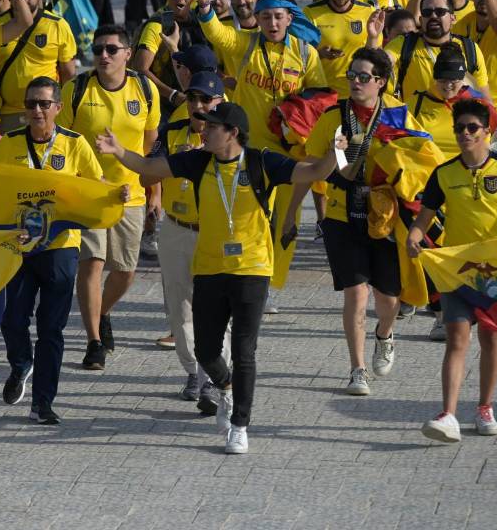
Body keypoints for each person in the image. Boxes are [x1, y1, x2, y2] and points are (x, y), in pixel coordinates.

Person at [98, 102, 344, 453]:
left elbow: (314, 171)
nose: (205, 130)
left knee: (244, 351)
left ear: (232, 133)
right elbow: (150, 167)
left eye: (212, 126)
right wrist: (119, 150)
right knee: (206, 349)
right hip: (210, 267)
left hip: (252, 268)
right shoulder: (199, 161)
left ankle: (240, 424)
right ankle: (225, 386)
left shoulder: (261, 162)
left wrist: (335, 152)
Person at [407, 99, 497, 443]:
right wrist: (414, 237)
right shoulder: (444, 173)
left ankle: (485, 407)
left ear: (487, 131)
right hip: (457, 271)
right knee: (456, 338)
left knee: (491, 337)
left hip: (496, 271)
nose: (464, 134)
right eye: (459, 128)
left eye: (472, 128)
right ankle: (448, 414)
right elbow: (423, 218)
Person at [194, 0, 328, 314]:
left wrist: (296, 116)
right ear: (257, 18)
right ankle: (246, 279)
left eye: (278, 17)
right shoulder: (246, 45)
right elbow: (218, 35)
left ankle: (267, 284)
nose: (272, 23)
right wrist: (205, 7)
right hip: (250, 150)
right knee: (251, 218)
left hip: (289, 151)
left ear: (289, 18)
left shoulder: (305, 53)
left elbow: (320, 96)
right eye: (265, 17)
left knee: (285, 221)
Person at [288, 48, 414, 395]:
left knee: (388, 299)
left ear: (381, 82)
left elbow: (420, 159)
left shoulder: (399, 114)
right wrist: (290, 214)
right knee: (356, 293)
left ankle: (384, 334)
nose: (356, 82)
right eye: (352, 76)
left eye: (364, 77)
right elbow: (308, 168)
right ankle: (357, 370)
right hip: (341, 214)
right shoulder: (333, 116)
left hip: (384, 217)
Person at [0, 77, 104, 424]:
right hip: (19, 246)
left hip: (60, 246)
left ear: (58, 107)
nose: (37, 110)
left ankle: (42, 403)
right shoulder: (9, 144)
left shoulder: (74, 144)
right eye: (31, 104)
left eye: (44, 104)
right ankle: (20, 364)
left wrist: (114, 195)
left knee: (51, 328)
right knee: (12, 318)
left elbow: (95, 186)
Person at [58, 25, 159, 370]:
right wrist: (80, 182)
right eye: (98, 49)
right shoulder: (76, 89)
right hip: (88, 194)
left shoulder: (144, 89)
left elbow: (150, 145)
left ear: (128, 54)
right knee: (92, 264)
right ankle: (94, 342)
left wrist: (155, 191)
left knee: (125, 272)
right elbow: (63, 143)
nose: (103, 55)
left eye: (112, 49)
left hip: (130, 195)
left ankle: (101, 313)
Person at [144, 73, 224, 398]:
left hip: (214, 232)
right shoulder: (172, 132)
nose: (197, 105)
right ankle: (194, 371)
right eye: (192, 98)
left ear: (220, 102)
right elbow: (147, 171)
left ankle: (213, 376)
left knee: (215, 308)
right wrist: (161, 187)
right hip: (176, 228)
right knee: (179, 308)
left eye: (206, 99)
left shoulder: (231, 136)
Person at [0, 0, 79, 131]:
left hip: (46, 111)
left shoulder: (57, 25)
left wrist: (66, 112)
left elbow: (68, 74)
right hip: (7, 113)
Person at [383, 0, 488, 105]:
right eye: (427, 12)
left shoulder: (470, 49)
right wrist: (373, 39)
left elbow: (485, 101)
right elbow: (379, 63)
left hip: (457, 116)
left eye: (440, 12)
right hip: (414, 117)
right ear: (421, 20)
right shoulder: (404, 44)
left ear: (453, 18)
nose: (433, 16)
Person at [133, 0, 208, 110]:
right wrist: (172, 95)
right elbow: (140, 68)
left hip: (198, 99)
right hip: (163, 106)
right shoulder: (157, 25)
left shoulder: (199, 20)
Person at [304, 0, 381, 99]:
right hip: (322, 94)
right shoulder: (310, 13)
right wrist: (319, 54)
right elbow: (299, 55)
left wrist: (373, 37)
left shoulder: (368, 12)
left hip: (357, 93)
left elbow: (375, 55)